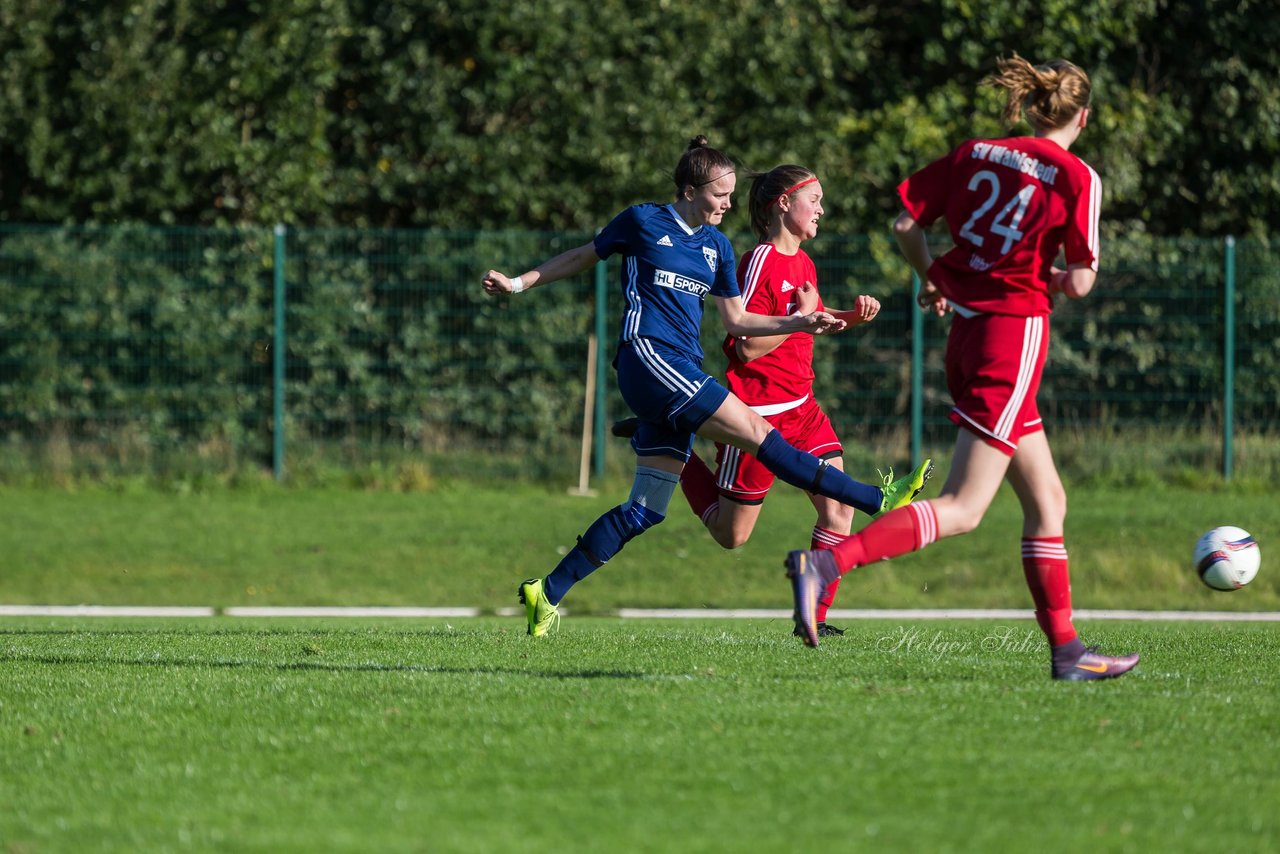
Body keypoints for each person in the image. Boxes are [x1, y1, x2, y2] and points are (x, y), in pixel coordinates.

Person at [482, 136, 933, 637]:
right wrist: (519, 283)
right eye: (720, 195)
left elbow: (738, 322)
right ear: (689, 189)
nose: (729, 205)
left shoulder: (717, 247)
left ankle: (546, 592)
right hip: (649, 356)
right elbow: (582, 256)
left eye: (732, 195)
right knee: (761, 434)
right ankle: (875, 498)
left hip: (678, 371)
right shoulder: (643, 221)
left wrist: (803, 324)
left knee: (645, 510)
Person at [783, 55, 1140, 682]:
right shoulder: (1076, 176)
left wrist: (936, 278)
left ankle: (1067, 652)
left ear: (1030, 108)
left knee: (1047, 500)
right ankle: (825, 567)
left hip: (968, 333)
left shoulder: (977, 152)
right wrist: (1047, 276)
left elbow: (905, 224)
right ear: (1082, 117)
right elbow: (1081, 282)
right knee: (966, 505)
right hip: (1013, 335)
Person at [618, 163, 908, 639]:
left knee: (838, 510)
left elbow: (808, 321)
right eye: (813, 199)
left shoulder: (806, 264)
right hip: (757, 417)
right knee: (732, 536)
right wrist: (807, 315)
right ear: (783, 204)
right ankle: (668, 438)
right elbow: (746, 344)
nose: (821, 209)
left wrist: (850, 317)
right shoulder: (758, 261)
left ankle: (811, 616)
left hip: (804, 409)